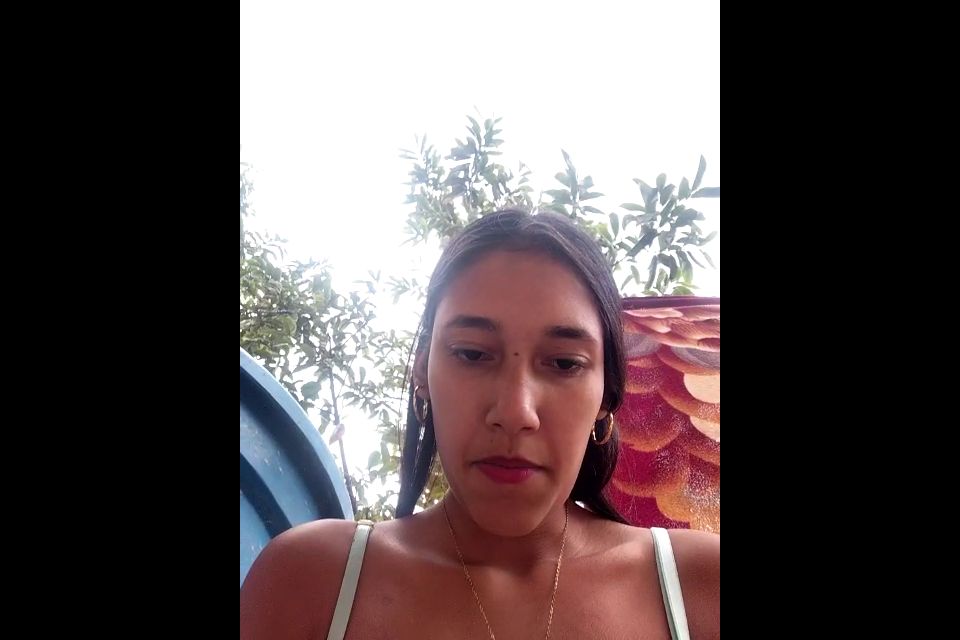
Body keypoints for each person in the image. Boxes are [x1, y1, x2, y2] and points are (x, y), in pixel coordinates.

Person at [240, 209, 720, 640]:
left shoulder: (700, 586)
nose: (514, 412)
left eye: (564, 363)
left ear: (606, 395)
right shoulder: (310, 584)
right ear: (422, 373)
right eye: (472, 354)